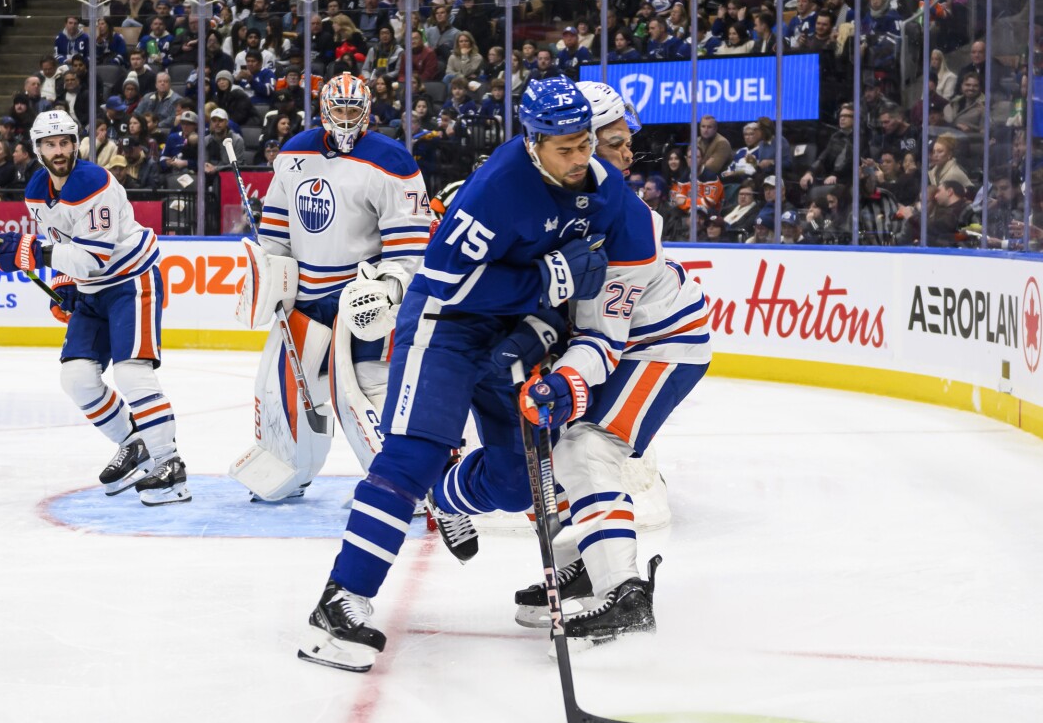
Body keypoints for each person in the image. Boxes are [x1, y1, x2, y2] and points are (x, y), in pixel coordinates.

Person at [295, 75, 633, 672]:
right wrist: (549, 278)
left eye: (586, 143)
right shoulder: (498, 189)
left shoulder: (604, 190)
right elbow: (445, 280)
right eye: (566, 148)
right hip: (447, 330)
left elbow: (612, 281)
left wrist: (545, 334)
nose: (580, 158)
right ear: (533, 142)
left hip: (516, 338)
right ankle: (341, 599)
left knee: (517, 483)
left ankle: (446, 496)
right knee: (409, 457)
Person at [433, 80, 709, 646]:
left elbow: (602, 337)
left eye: (606, 142)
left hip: (660, 343)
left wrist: (566, 380)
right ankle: (586, 563)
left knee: (585, 446)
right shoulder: (534, 188)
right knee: (557, 449)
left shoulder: (627, 222)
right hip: (613, 341)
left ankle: (624, 591)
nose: (615, 155)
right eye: (603, 142)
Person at [232, 72, 430, 504]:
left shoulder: (391, 160)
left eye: (352, 109)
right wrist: (268, 270)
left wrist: (393, 286)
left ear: (367, 112)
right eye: (337, 109)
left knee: (361, 390)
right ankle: (292, 470)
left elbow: (411, 240)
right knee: (282, 390)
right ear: (324, 111)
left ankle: (400, 483)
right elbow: (278, 227)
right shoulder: (294, 152)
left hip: (360, 298)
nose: (344, 118)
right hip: (305, 298)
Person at [0, 110, 188, 506]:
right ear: (37, 147)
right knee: (76, 378)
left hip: (131, 283)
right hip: (92, 292)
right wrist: (63, 285)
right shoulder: (36, 189)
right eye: (49, 144)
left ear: (76, 143)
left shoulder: (95, 183)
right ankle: (134, 443)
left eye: (65, 142)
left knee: (132, 375)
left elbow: (93, 255)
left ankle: (170, 464)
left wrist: (27, 253)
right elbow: (58, 239)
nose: (58, 151)